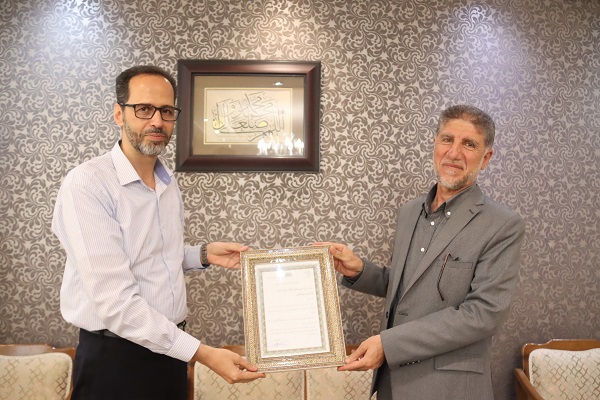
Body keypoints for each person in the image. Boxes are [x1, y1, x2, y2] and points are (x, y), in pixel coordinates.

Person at [52, 65, 265, 400]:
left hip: (169, 353)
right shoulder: (88, 184)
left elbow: (150, 256)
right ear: (119, 114)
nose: (157, 121)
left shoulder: (167, 181)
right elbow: (116, 302)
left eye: (166, 111)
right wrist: (202, 353)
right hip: (116, 360)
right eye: (144, 109)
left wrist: (203, 255)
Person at [317, 105, 525, 400]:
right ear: (435, 143)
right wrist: (360, 270)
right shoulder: (409, 212)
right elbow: (410, 289)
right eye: (447, 139)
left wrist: (389, 344)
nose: (454, 153)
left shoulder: (502, 224)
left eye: (469, 144)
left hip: (451, 390)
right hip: (391, 385)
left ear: (486, 157)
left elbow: (483, 314)